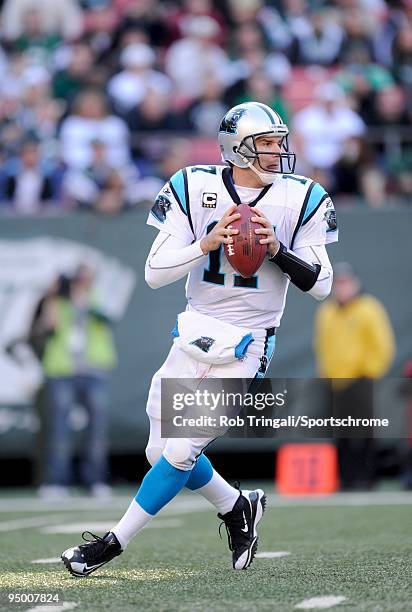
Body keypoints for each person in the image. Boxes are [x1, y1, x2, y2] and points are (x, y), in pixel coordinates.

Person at [61, 101, 338, 576]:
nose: (278, 152)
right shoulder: (193, 186)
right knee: (158, 452)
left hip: (249, 342)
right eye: (266, 144)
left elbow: (322, 285)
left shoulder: (303, 196)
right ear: (237, 149)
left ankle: (110, 544)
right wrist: (206, 243)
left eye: (279, 142)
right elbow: (154, 273)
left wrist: (277, 251)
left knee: (181, 450)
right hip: (194, 330)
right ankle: (236, 506)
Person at [314, 262, 395, 489]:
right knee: (341, 433)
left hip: (361, 379)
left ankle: (368, 477)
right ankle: (347, 478)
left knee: (365, 431)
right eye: (338, 284)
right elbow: (322, 345)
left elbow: (382, 345)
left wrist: (369, 372)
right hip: (335, 381)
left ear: (355, 283)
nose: (342, 288)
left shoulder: (369, 309)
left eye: (346, 283)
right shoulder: (327, 311)